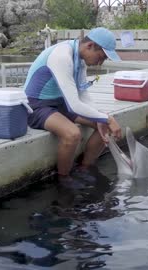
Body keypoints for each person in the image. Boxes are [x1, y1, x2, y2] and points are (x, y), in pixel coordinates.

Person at [23, 27, 122, 184]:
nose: (101, 63)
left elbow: (82, 95)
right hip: (36, 105)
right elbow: (75, 105)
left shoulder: (80, 59)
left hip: (60, 104)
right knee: (72, 134)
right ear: (89, 46)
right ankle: (63, 180)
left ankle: (85, 168)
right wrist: (107, 118)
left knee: (103, 124)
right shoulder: (62, 56)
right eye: (101, 57)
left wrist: (101, 117)